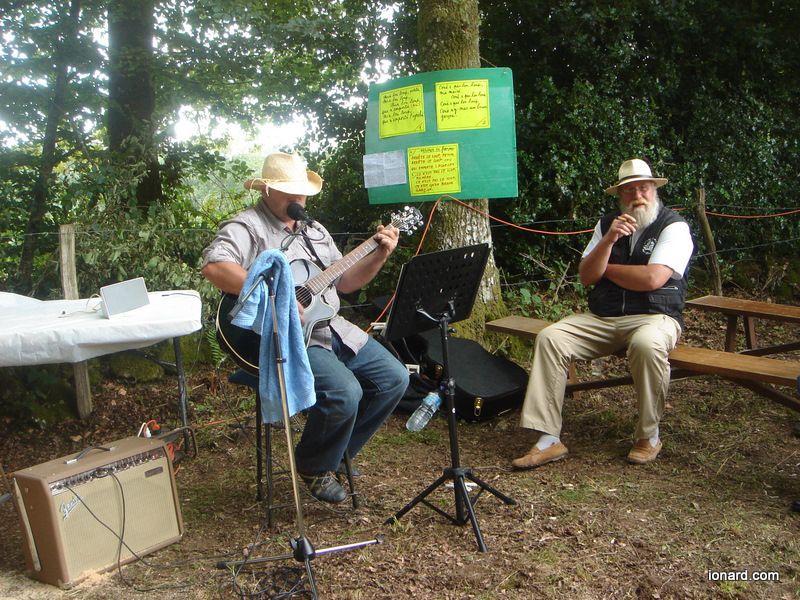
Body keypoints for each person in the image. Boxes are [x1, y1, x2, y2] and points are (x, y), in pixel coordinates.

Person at [202, 151, 409, 503]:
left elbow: (344, 284)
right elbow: (215, 267)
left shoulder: (314, 231)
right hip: (278, 336)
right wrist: (276, 294)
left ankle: (336, 455)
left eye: (302, 193)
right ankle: (314, 465)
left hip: (326, 324)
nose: (298, 200)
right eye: (289, 192)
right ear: (266, 190)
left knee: (395, 379)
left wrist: (379, 255)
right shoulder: (246, 226)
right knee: (346, 391)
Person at [512, 158, 694, 469]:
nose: (637, 195)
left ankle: (648, 436)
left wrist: (605, 269)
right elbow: (586, 276)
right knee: (550, 337)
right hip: (604, 317)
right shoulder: (607, 224)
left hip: (655, 316)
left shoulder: (674, 226)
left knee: (647, 344)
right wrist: (609, 239)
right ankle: (547, 439)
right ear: (619, 196)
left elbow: (653, 279)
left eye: (643, 188)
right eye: (629, 190)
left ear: (654, 190)